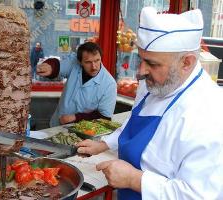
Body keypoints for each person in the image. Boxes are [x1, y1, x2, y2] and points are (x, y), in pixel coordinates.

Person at [77, 7, 223, 199]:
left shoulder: (209, 113)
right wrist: (104, 143)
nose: (141, 71)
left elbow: (198, 195)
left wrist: (134, 180)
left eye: (152, 64)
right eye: (141, 59)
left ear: (186, 62)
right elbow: (131, 125)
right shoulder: (152, 83)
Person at [37, 42, 117, 127]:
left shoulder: (109, 84)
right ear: (80, 62)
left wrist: (76, 117)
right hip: (56, 126)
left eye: (97, 60)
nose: (94, 67)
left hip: (83, 133)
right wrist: (51, 67)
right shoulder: (74, 63)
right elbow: (57, 66)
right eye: (88, 62)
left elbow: (104, 118)